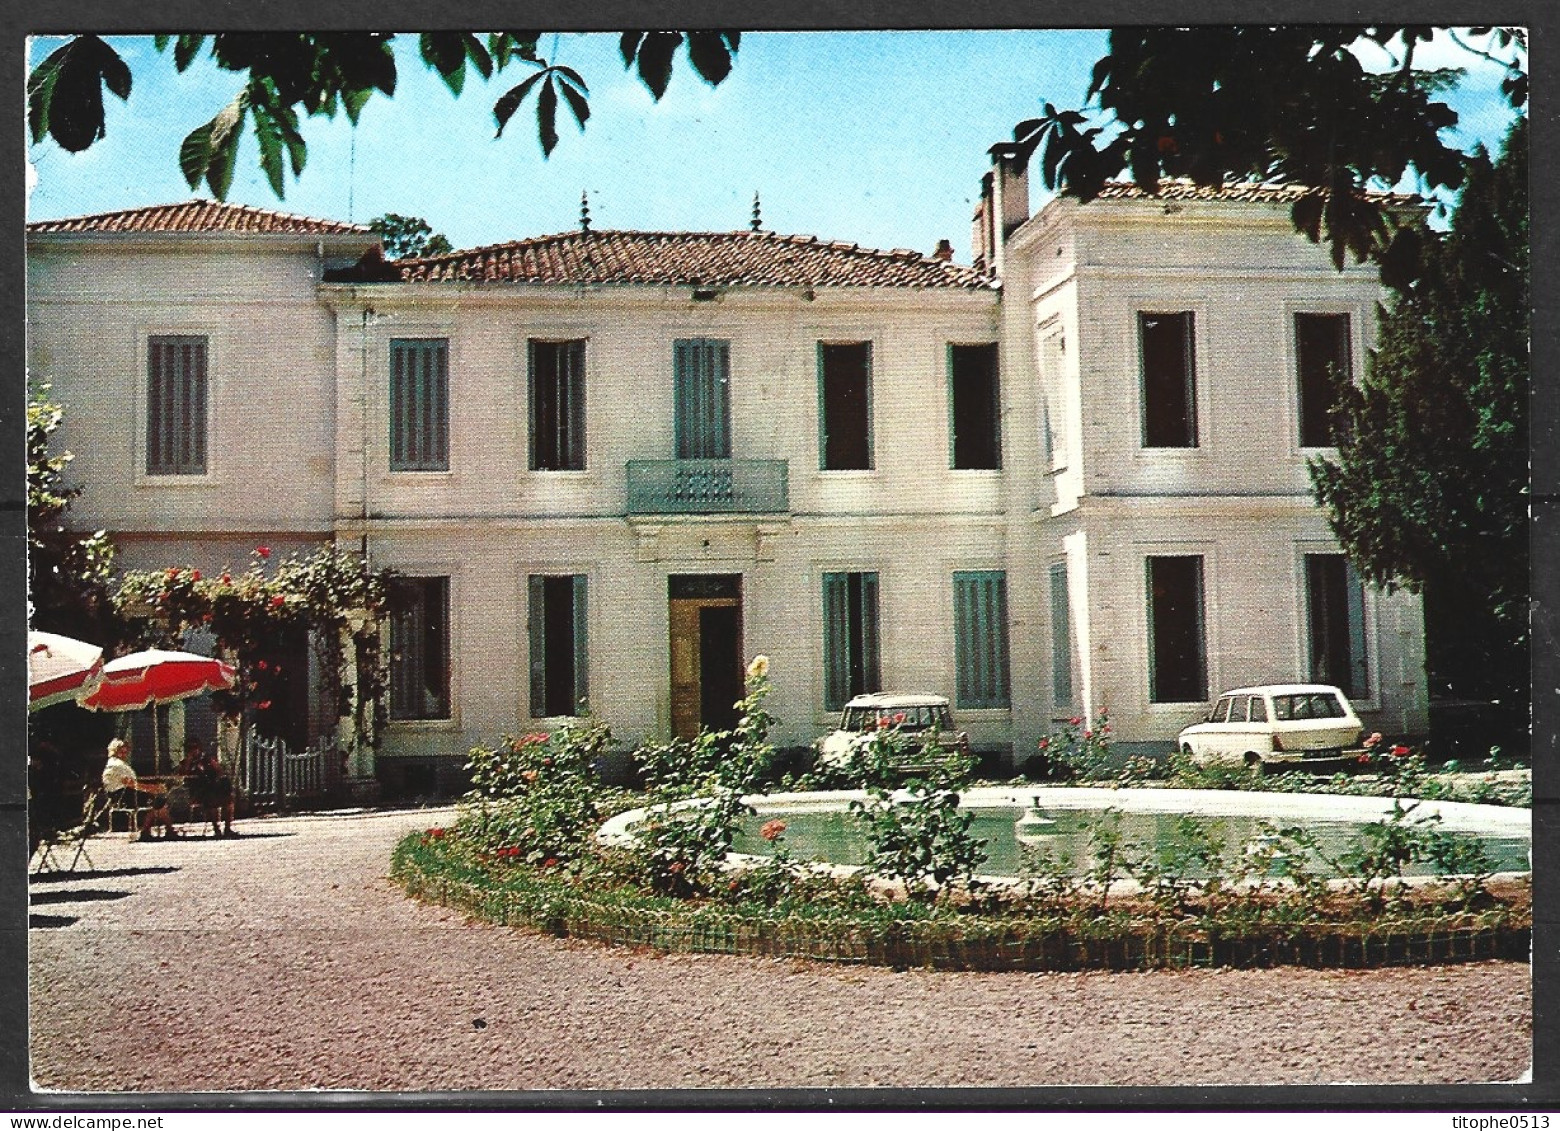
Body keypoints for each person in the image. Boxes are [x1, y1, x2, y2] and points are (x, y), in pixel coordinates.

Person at [102, 738, 177, 841]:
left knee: (159, 803)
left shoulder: (115, 763)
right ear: (114, 751)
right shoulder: (117, 765)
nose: (124, 754)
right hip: (124, 795)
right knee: (158, 802)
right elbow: (129, 783)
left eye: (125, 751)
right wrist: (152, 789)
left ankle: (155, 831)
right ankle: (161, 831)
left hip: (122, 794)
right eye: (121, 751)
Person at [179, 737, 236, 839]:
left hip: (213, 788)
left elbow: (219, 770)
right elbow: (183, 774)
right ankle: (216, 829)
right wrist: (189, 760)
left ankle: (227, 829)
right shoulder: (186, 762)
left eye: (195, 747)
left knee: (229, 800)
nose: (194, 750)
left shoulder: (207, 758)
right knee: (210, 803)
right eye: (190, 748)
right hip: (198, 791)